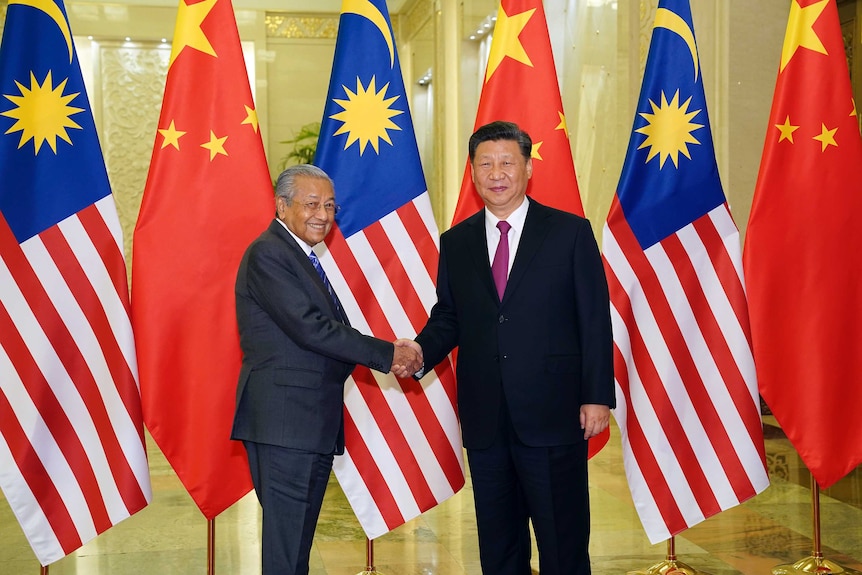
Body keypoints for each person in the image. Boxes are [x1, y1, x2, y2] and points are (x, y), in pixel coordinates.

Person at [406, 121, 614, 575]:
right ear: (473, 172)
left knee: (563, 541)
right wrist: (419, 351)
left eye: (506, 162)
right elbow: (450, 317)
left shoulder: (569, 232)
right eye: (485, 164)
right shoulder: (456, 242)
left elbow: (594, 319)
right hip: (486, 420)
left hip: (553, 413)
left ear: (527, 168)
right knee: (498, 545)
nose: (496, 173)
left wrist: (596, 395)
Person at [231, 164, 421, 575]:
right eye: (311, 204)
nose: (322, 214)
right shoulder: (270, 254)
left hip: (304, 425)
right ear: (282, 206)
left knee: (296, 543)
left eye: (330, 206)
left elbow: (326, 330)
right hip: (286, 425)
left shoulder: (300, 255)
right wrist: (389, 353)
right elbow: (311, 329)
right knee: (286, 549)